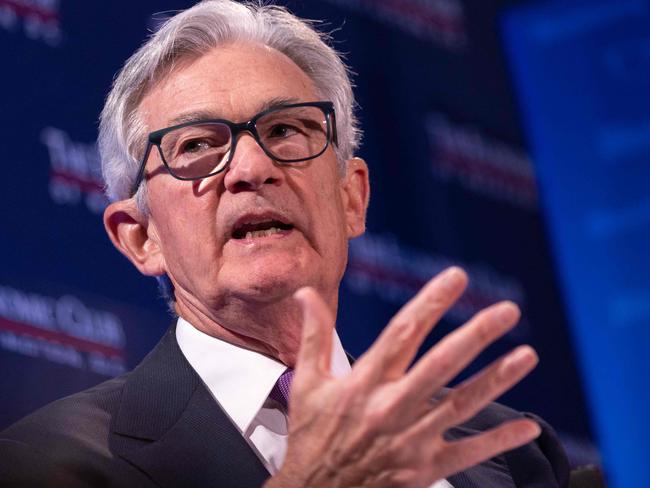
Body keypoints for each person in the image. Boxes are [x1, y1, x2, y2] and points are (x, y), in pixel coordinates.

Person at [0, 1, 569, 486]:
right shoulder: (46, 463)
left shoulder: (509, 451)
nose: (252, 167)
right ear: (142, 236)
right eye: (197, 144)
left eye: (285, 130)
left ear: (351, 199)